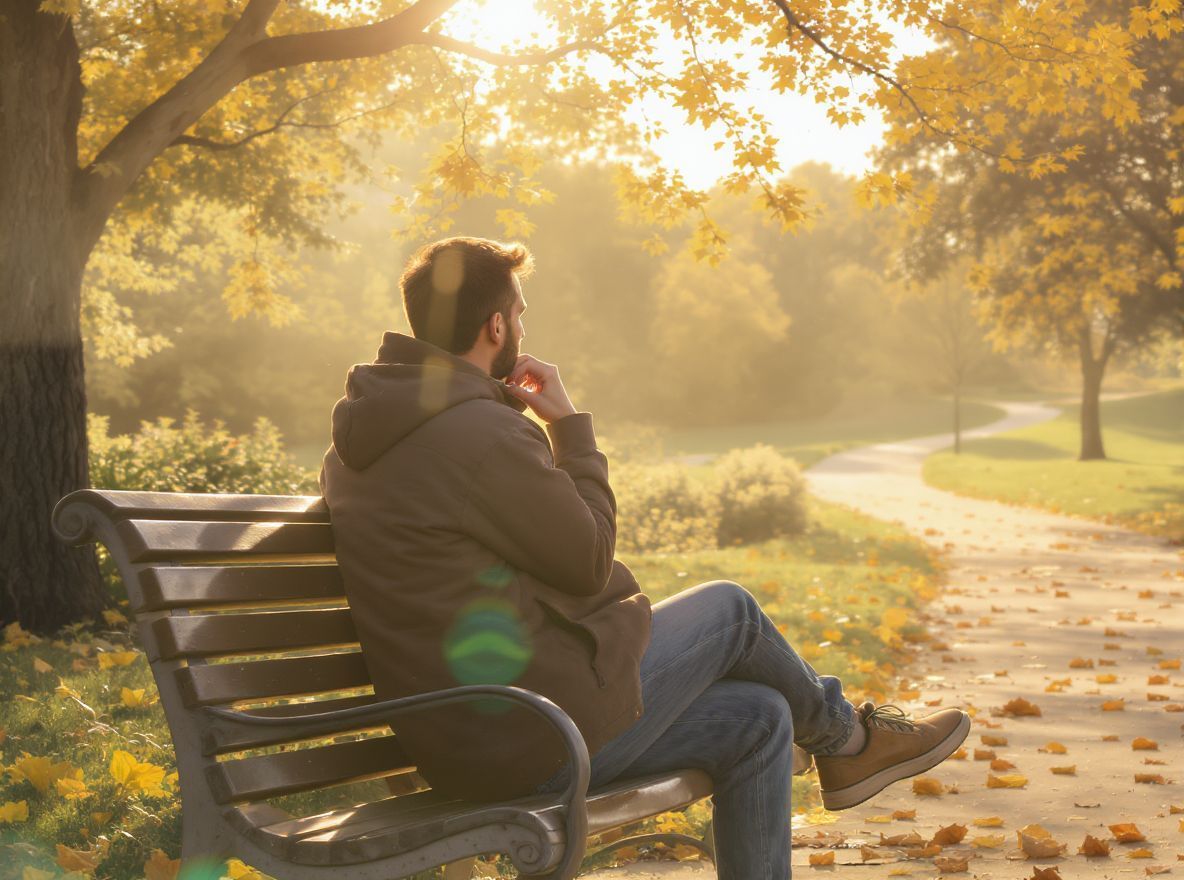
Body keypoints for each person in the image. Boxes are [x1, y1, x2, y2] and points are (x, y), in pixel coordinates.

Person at [319, 236, 970, 879]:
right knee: (732, 611)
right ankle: (847, 739)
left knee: (760, 717)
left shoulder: (367, 438)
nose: (520, 326)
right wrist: (568, 426)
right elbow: (589, 560)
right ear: (495, 325)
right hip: (527, 736)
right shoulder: (476, 433)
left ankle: (843, 741)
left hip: (469, 736)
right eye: (518, 314)